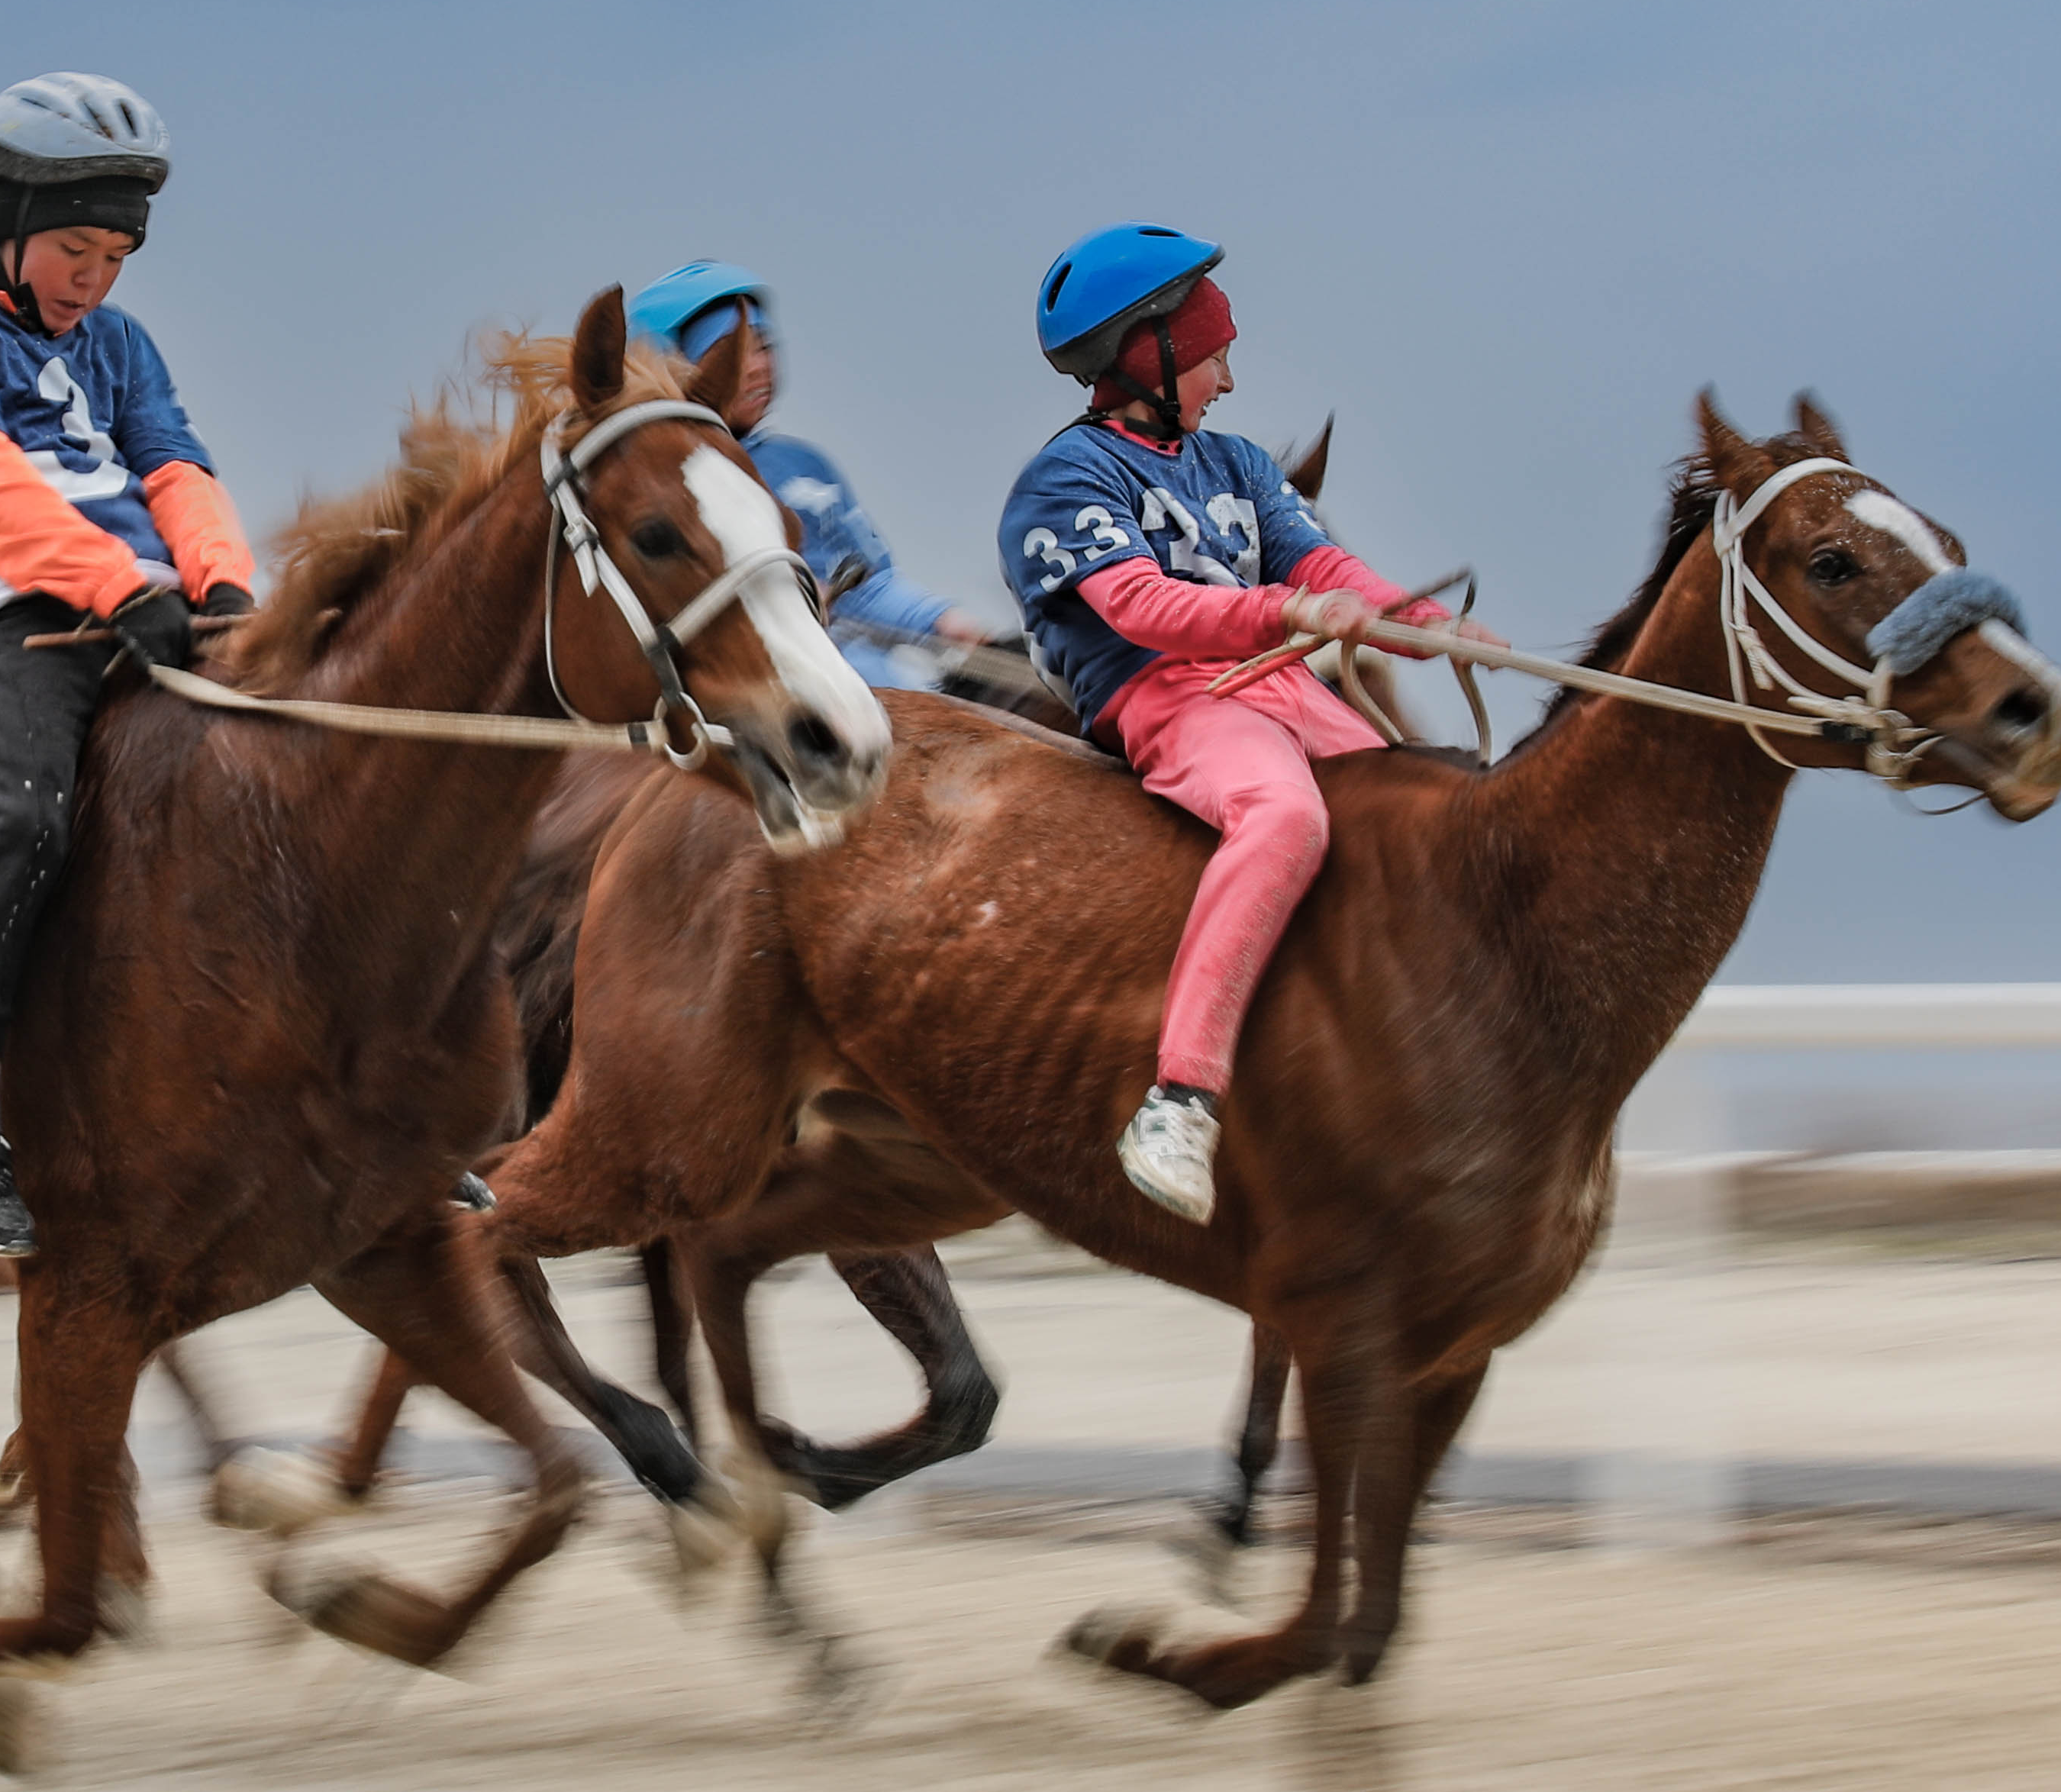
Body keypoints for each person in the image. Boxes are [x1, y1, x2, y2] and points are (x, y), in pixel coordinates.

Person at [0, 73, 259, 1259]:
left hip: (134, 600)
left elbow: (174, 465)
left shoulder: (118, 345)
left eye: (117, 257)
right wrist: (119, 586)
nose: (95, 278)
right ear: (4, 219)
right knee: (28, 820)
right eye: (76, 248)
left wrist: (220, 583)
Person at [996, 227, 1485, 1221]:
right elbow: (1143, 610)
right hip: (1169, 698)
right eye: (1212, 352)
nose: (1226, 376)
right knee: (1284, 821)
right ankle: (1179, 1100)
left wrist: (1421, 624)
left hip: (1277, 687)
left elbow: (1320, 566)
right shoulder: (1064, 480)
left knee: (1425, 813)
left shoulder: (1238, 462)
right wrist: (1286, 614)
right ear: (1147, 353)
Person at [626, 261, 1009, 688]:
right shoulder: (668, 486)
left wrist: (941, 621)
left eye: (765, 347)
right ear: (677, 370)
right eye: (730, 353)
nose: (757, 367)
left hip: (873, 679)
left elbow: (869, 585)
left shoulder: (803, 466)